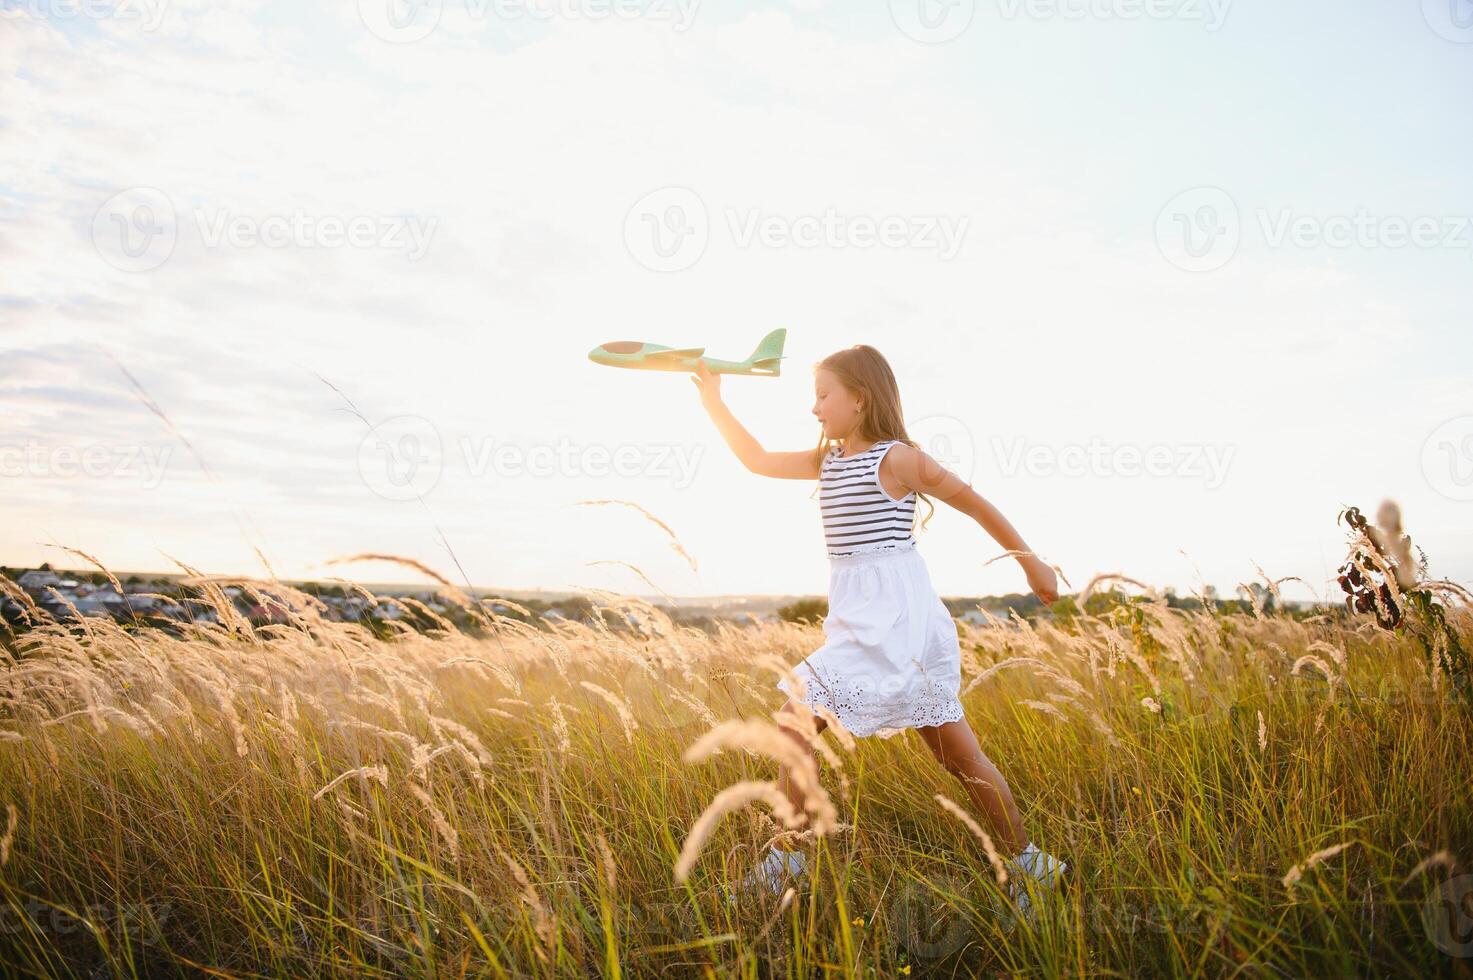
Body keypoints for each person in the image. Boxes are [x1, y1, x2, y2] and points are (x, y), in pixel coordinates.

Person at [691, 344, 1067, 915]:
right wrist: (714, 400)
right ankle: (1031, 866)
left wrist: (1029, 561)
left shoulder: (899, 460)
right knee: (958, 757)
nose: (814, 409)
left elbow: (975, 503)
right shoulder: (829, 462)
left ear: (859, 400)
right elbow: (759, 460)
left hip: (898, 621)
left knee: (804, 710)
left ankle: (788, 864)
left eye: (823, 395)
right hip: (855, 620)